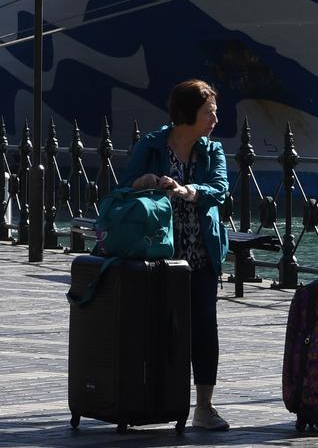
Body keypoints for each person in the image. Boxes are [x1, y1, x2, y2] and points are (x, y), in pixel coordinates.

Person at [120, 79, 230, 430]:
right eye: (208, 113)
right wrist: (149, 181)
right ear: (187, 114)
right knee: (157, 327)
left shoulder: (212, 150)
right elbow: (124, 187)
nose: (215, 119)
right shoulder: (152, 145)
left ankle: (204, 407)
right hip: (159, 256)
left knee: (204, 327)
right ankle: (148, 399)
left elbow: (221, 190)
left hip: (201, 254)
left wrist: (189, 190)